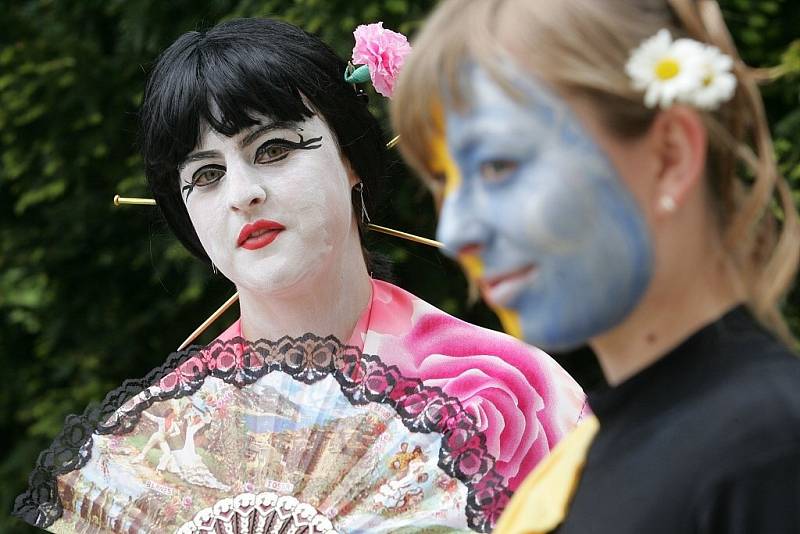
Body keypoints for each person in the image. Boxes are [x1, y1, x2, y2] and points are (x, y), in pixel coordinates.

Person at [14, 17, 585, 533]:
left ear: (352, 159)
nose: (243, 194)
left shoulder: (511, 388)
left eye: (273, 149)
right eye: (206, 174)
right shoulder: (153, 443)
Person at [391, 0, 800, 532]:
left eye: (497, 165)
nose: (455, 233)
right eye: (444, 184)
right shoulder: (582, 461)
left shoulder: (769, 452)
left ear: (670, 156)